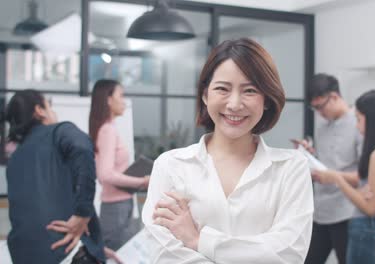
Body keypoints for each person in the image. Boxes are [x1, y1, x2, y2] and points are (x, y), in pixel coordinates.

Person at [141, 38, 314, 263]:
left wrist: (198, 241)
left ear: (267, 100)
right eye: (222, 88)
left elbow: (288, 254)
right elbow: (162, 255)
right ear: (205, 95)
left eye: (249, 90)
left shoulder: (291, 167)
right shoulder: (171, 164)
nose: (234, 104)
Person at [4, 90, 105, 263]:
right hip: (66, 251)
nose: (54, 112)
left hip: (25, 254)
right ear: (40, 110)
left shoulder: (14, 159)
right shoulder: (59, 131)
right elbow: (82, 148)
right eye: (49, 106)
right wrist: (83, 212)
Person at [314, 90, 375, 264]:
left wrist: (337, 179)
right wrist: (359, 191)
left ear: (371, 120)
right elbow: (368, 195)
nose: (357, 126)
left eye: (358, 119)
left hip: (369, 232)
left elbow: (370, 208)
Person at [294, 73, 362, 264]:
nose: (318, 112)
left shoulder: (359, 123)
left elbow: (364, 177)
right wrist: (310, 155)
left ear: (334, 97)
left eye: (320, 106)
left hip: (348, 212)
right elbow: (327, 165)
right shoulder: (322, 128)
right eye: (314, 108)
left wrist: (332, 177)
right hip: (321, 211)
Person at [89, 79, 150, 250]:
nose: (124, 101)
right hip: (116, 208)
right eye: (121, 95)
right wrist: (142, 181)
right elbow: (105, 174)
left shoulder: (107, 128)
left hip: (121, 205)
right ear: (108, 100)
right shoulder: (107, 130)